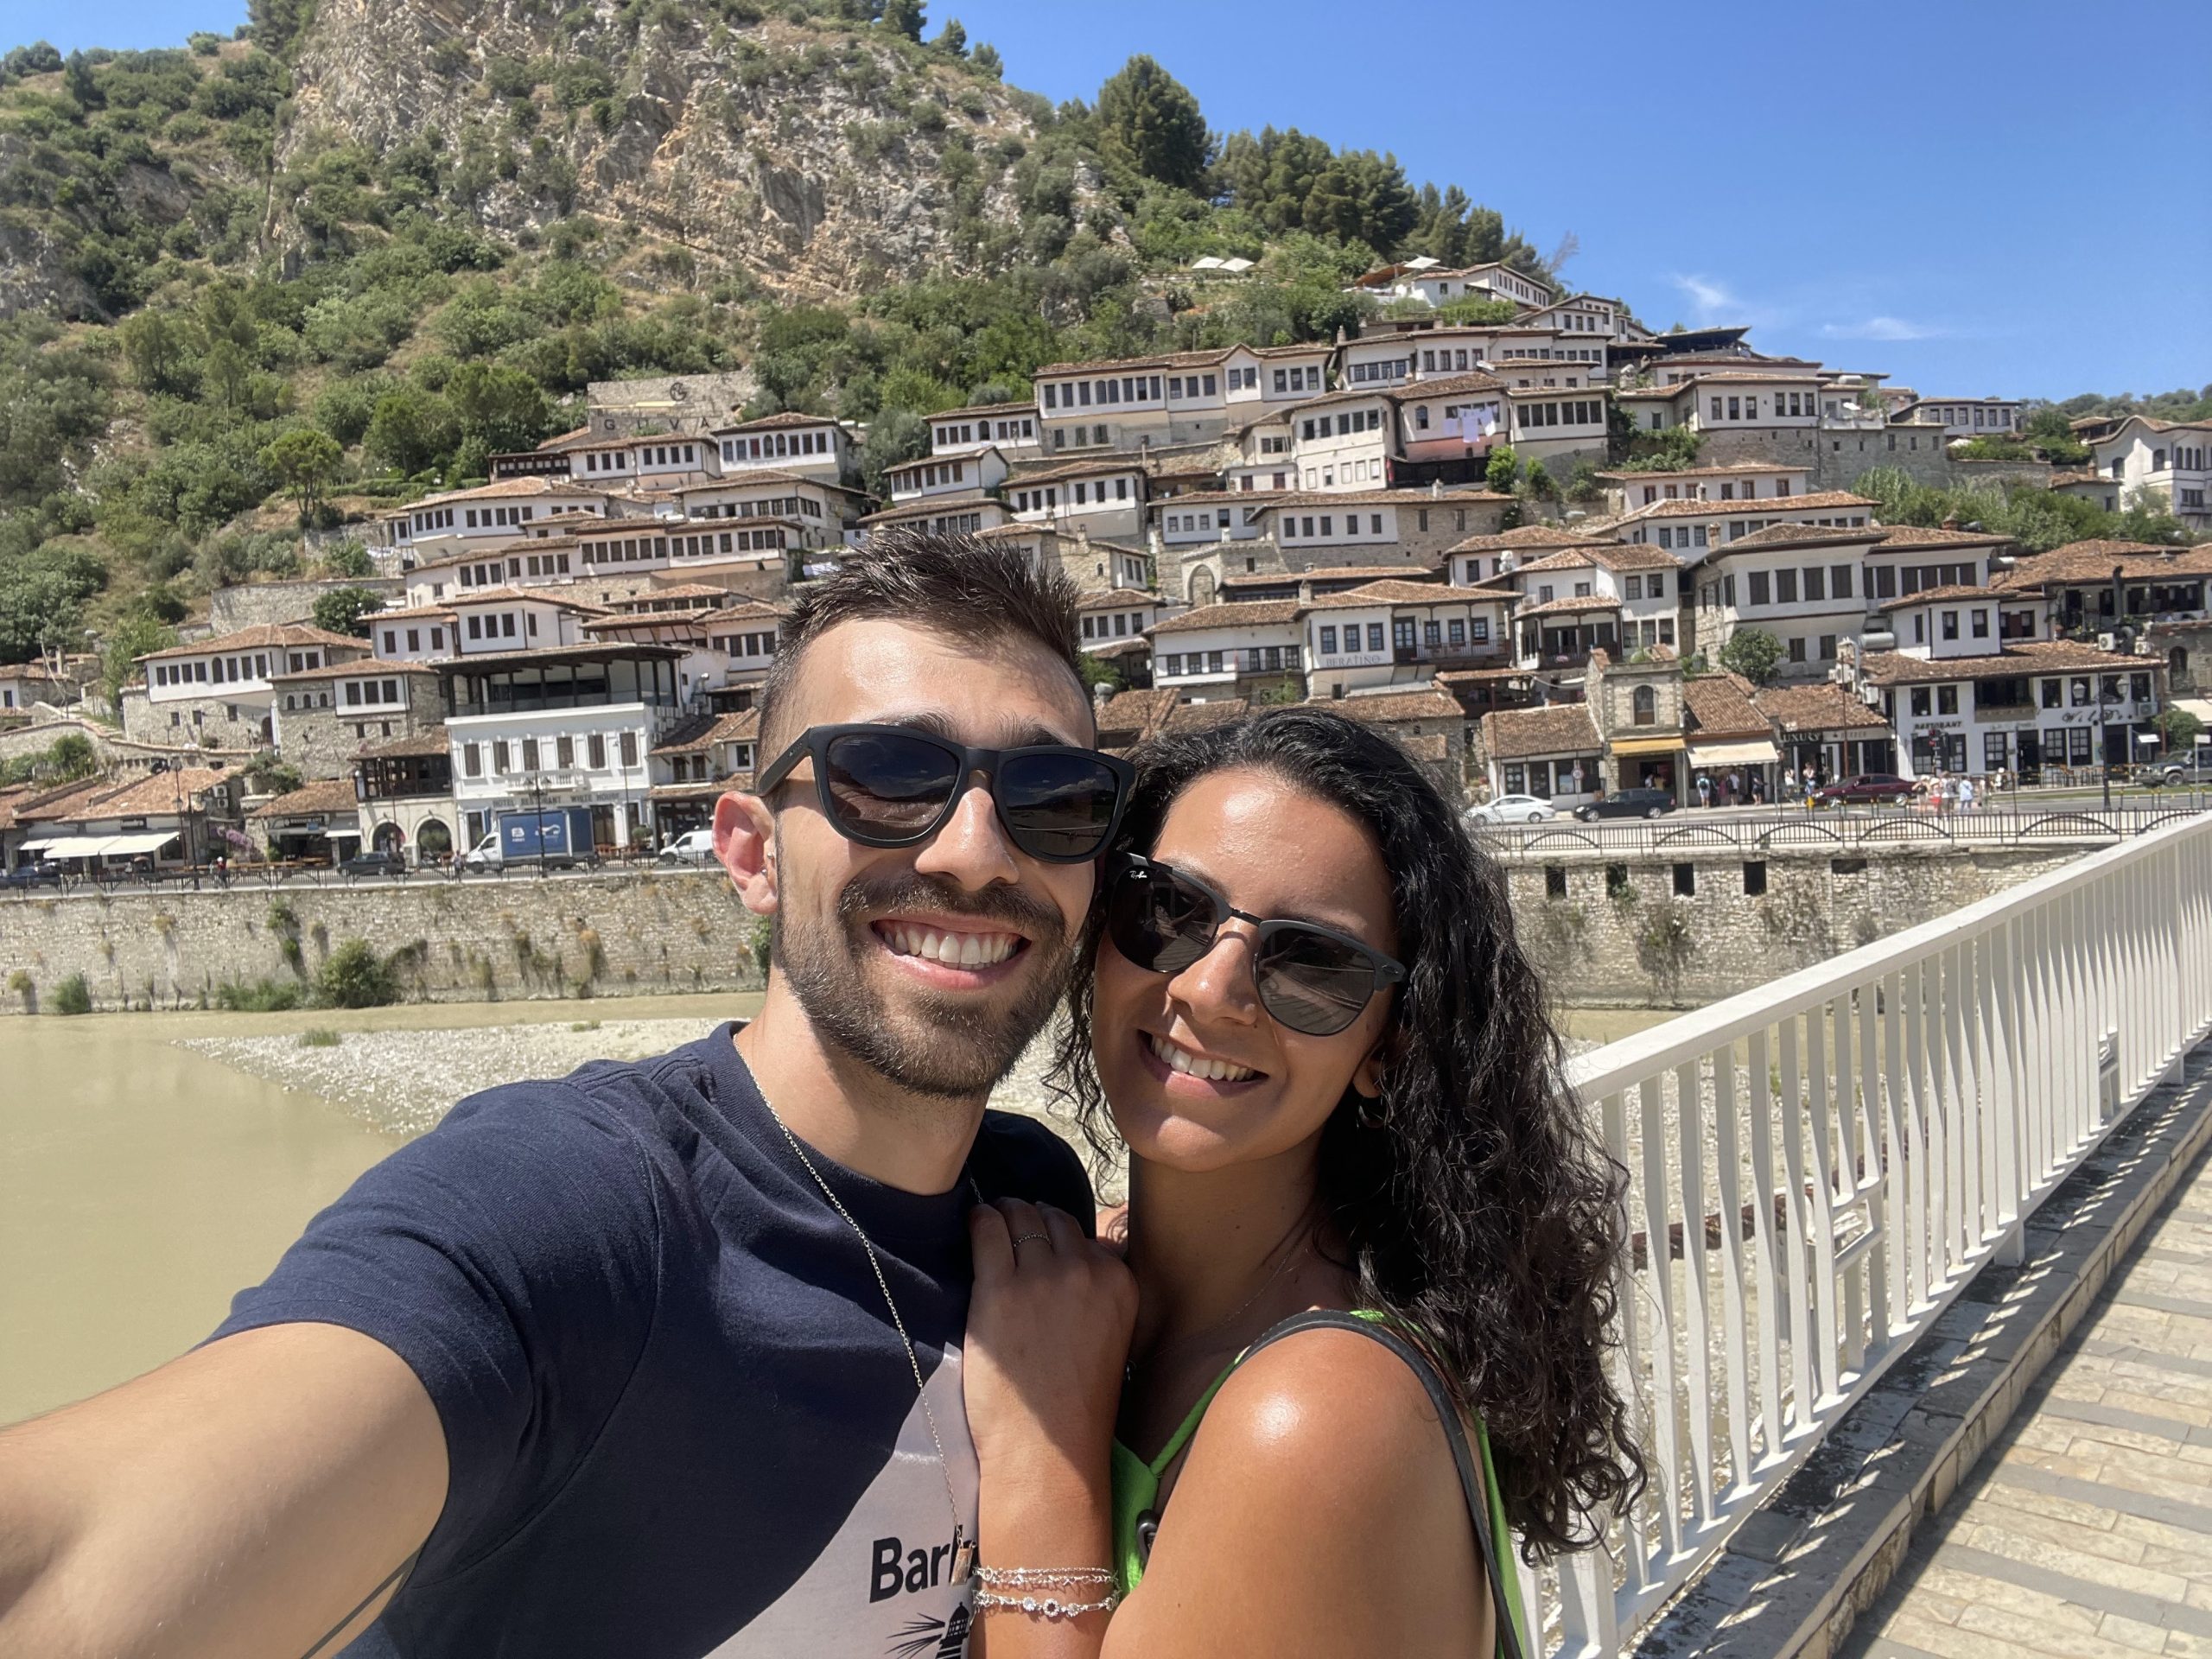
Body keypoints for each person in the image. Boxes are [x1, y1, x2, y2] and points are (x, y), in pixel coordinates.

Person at [0, 532, 1128, 1658]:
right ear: (752, 854)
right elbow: (91, 1547)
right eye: (887, 776)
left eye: (1054, 799)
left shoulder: (1029, 1208)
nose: (978, 852)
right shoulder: (574, 1210)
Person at [960, 708, 1644, 1656]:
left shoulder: (1316, 1417)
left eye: (1312, 963)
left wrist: (1040, 1445)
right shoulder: (1106, 1269)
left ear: (1386, 1048)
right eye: (1169, 910)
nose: (1209, 989)